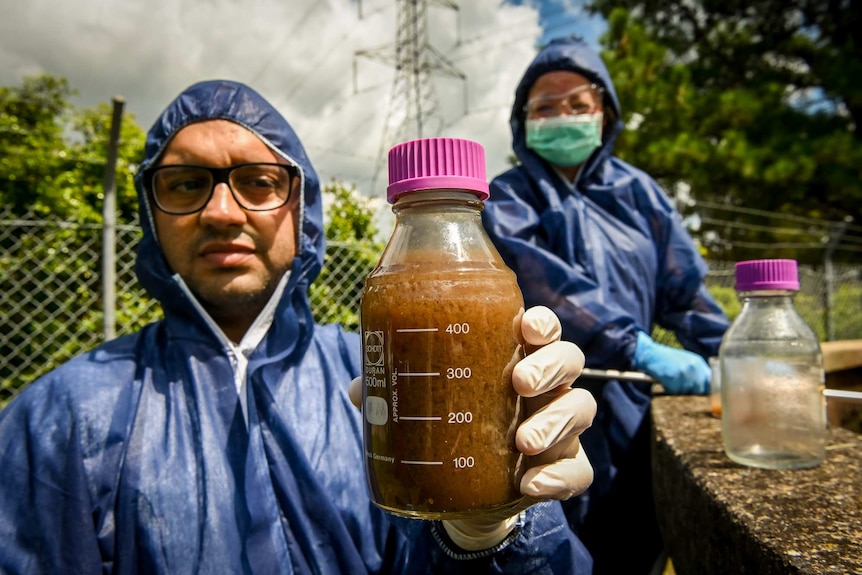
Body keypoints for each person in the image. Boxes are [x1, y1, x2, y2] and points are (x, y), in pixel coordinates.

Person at [0, 79, 600, 574]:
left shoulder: (377, 371)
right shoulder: (60, 419)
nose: (221, 211)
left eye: (258, 181)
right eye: (184, 184)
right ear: (150, 214)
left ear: (301, 208)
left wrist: (494, 530)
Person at [482, 38, 731, 574]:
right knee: (543, 543)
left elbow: (685, 291)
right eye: (544, 106)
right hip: (540, 404)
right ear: (522, 120)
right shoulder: (505, 198)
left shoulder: (641, 194)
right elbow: (544, 282)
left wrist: (734, 358)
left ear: (605, 113)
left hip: (633, 409)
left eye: (577, 104)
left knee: (638, 543)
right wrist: (633, 344)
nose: (561, 116)